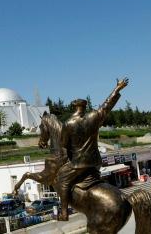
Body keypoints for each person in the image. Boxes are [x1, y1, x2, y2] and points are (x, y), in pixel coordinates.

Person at [55, 78, 128, 221]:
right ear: (85, 106)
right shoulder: (93, 116)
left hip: (78, 164)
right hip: (95, 162)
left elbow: (63, 144)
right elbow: (107, 105)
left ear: (74, 107)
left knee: (61, 180)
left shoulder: (68, 124)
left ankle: (64, 213)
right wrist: (117, 88)